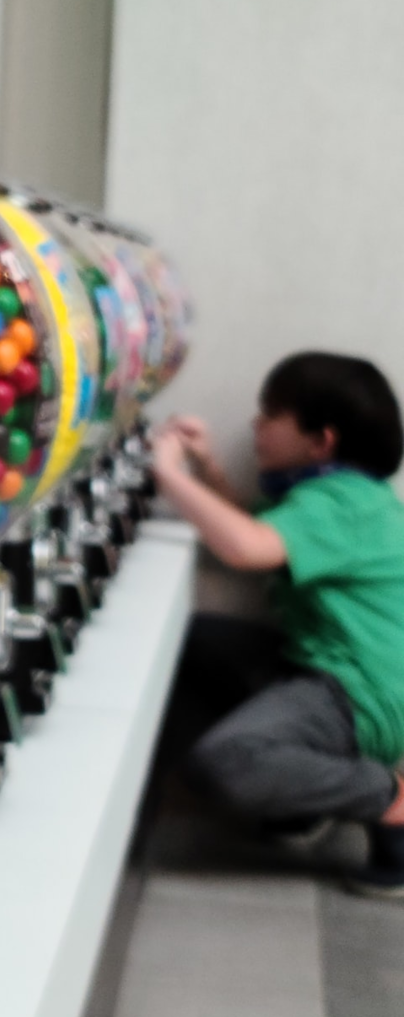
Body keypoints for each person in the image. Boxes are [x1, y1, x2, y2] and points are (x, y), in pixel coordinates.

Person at [152, 351, 404, 896]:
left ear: (321, 441)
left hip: (360, 696)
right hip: (323, 666)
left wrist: (168, 473)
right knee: (192, 641)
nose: (256, 425)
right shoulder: (333, 494)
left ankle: (390, 798)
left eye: (271, 415)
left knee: (223, 764)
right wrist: (208, 467)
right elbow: (256, 527)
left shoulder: (342, 503)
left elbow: (245, 547)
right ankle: (297, 804)